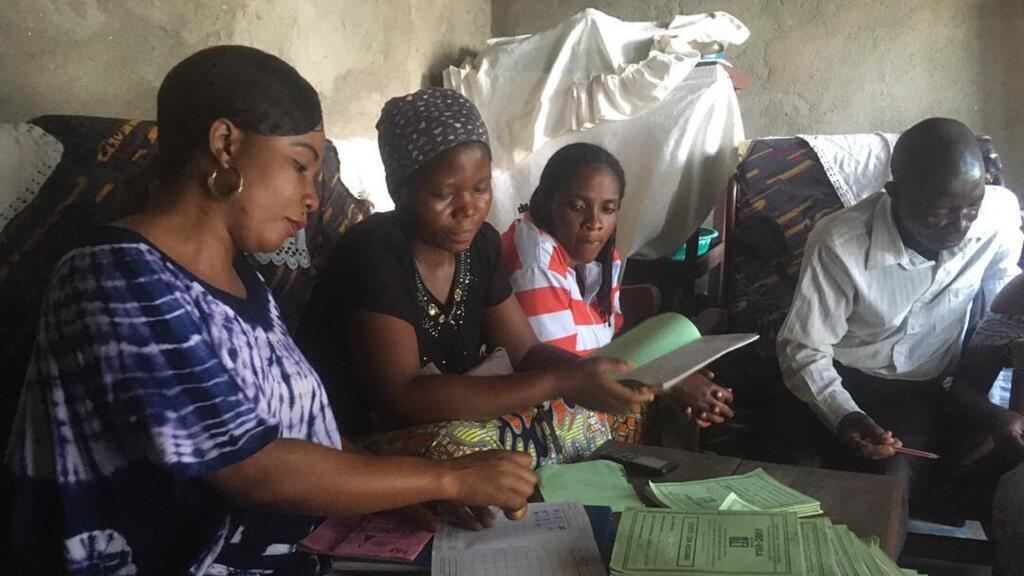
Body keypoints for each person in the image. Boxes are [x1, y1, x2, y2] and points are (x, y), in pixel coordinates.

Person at [1, 46, 536, 576]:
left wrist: (391, 488)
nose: (312, 197)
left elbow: (302, 436)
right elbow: (252, 467)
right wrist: (446, 478)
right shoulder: (113, 276)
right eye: (300, 166)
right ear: (225, 144)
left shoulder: (247, 283)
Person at [298, 88, 654, 466]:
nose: (468, 208)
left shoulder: (480, 246)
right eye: (443, 193)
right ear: (398, 190)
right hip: (356, 439)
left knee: (608, 412)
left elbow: (526, 352)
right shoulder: (375, 250)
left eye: (481, 188)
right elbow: (402, 399)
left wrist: (590, 375)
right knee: (460, 448)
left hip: (452, 419)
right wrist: (561, 382)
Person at [776, 117, 1022, 503]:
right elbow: (804, 349)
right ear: (895, 192)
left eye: (971, 207)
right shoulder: (842, 242)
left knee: (889, 481)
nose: (959, 226)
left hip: (921, 389)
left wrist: (994, 397)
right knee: (795, 486)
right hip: (841, 375)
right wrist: (844, 413)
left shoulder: (998, 216)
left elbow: (1004, 307)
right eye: (937, 213)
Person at [502, 142, 734, 428]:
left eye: (608, 209)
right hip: (546, 417)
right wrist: (668, 382)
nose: (594, 222)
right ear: (548, 201)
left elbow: (609, 346)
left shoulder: (598, 257)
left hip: (587, 400)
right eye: (577, 206)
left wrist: (675, 373)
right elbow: (563, 374)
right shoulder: (535, 259)